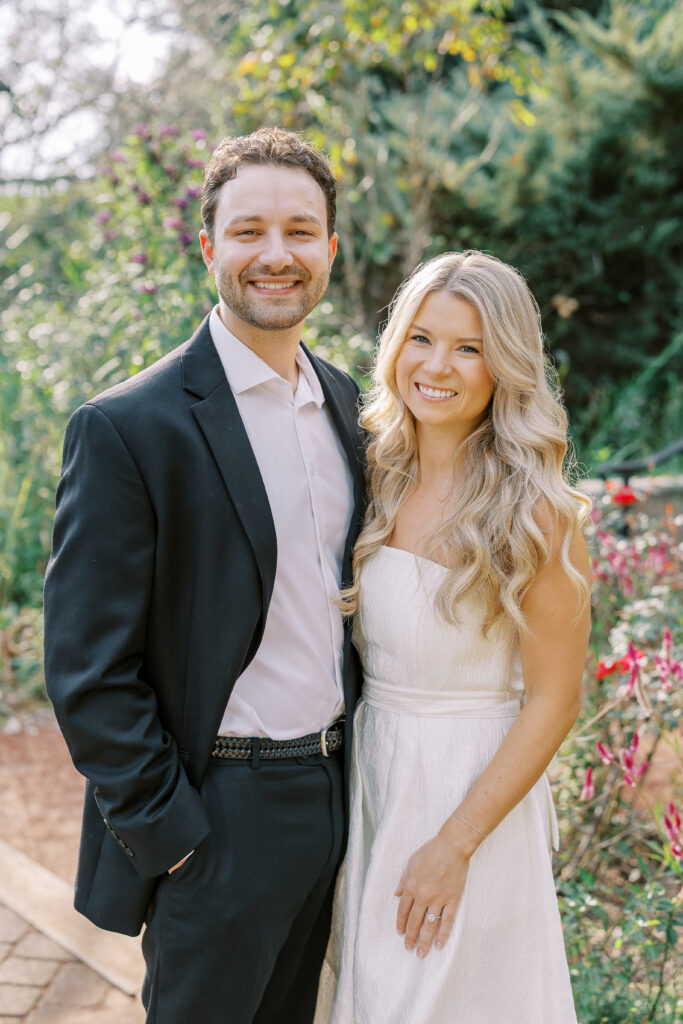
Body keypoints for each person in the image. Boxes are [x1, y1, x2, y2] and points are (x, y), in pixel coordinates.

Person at [43, 126, 366, 1024]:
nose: (276, 254)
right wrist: (175, 837)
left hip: (335, 796)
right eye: (249, 230)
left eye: (300, 231)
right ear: (208, 246)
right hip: (219, 814)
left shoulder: (347, 404)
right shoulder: (129, 427)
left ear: (330, 249)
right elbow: (86, 670)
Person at [315, 250, 591, 1024]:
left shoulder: (539, 513)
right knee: (370, 996)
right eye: (421, 338)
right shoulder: (373, 472)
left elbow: (554, 700)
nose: (437, 366)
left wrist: (454, 844)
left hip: (470, 794)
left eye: (468, 348)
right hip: (374, 776)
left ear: (504, 364)